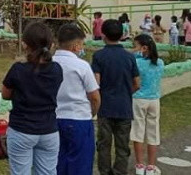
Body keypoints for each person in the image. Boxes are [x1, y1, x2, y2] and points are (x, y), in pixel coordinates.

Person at [1, 22, 63, 175]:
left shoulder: (18, 69)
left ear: (24, 44)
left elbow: (5, 94)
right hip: (49, 130)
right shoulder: (56, 69)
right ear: (51, 44)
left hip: (22, 129)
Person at [93, 19, 141, 175]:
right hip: (124, 107)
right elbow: (137, 83)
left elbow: (96, 83)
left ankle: (105, 171)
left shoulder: (99, 56)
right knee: (122, 146)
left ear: (103, 35)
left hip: (105, 107)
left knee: (103, 145)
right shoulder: (129, 57)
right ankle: (120, 171)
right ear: (122, 35)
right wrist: (126, 93)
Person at [54, 24, 100, 175]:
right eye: (81, 44)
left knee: (56, 163)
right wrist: (92, 113)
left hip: (53, 119)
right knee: (80, 165)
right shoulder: (82, 66)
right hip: (79, 119)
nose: (82, 48)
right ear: (75, 46)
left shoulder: (48, 64)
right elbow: (94, 97)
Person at [131, 35, 164, 175]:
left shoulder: (137, 62)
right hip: (154, 100)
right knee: (153, 132)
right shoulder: (160, 63)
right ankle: (151, 166)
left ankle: (139, 165)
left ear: (144, 48)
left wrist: (134, 53)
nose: (134, 48)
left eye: (136, 45)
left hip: (138, 100)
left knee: (138, 131)